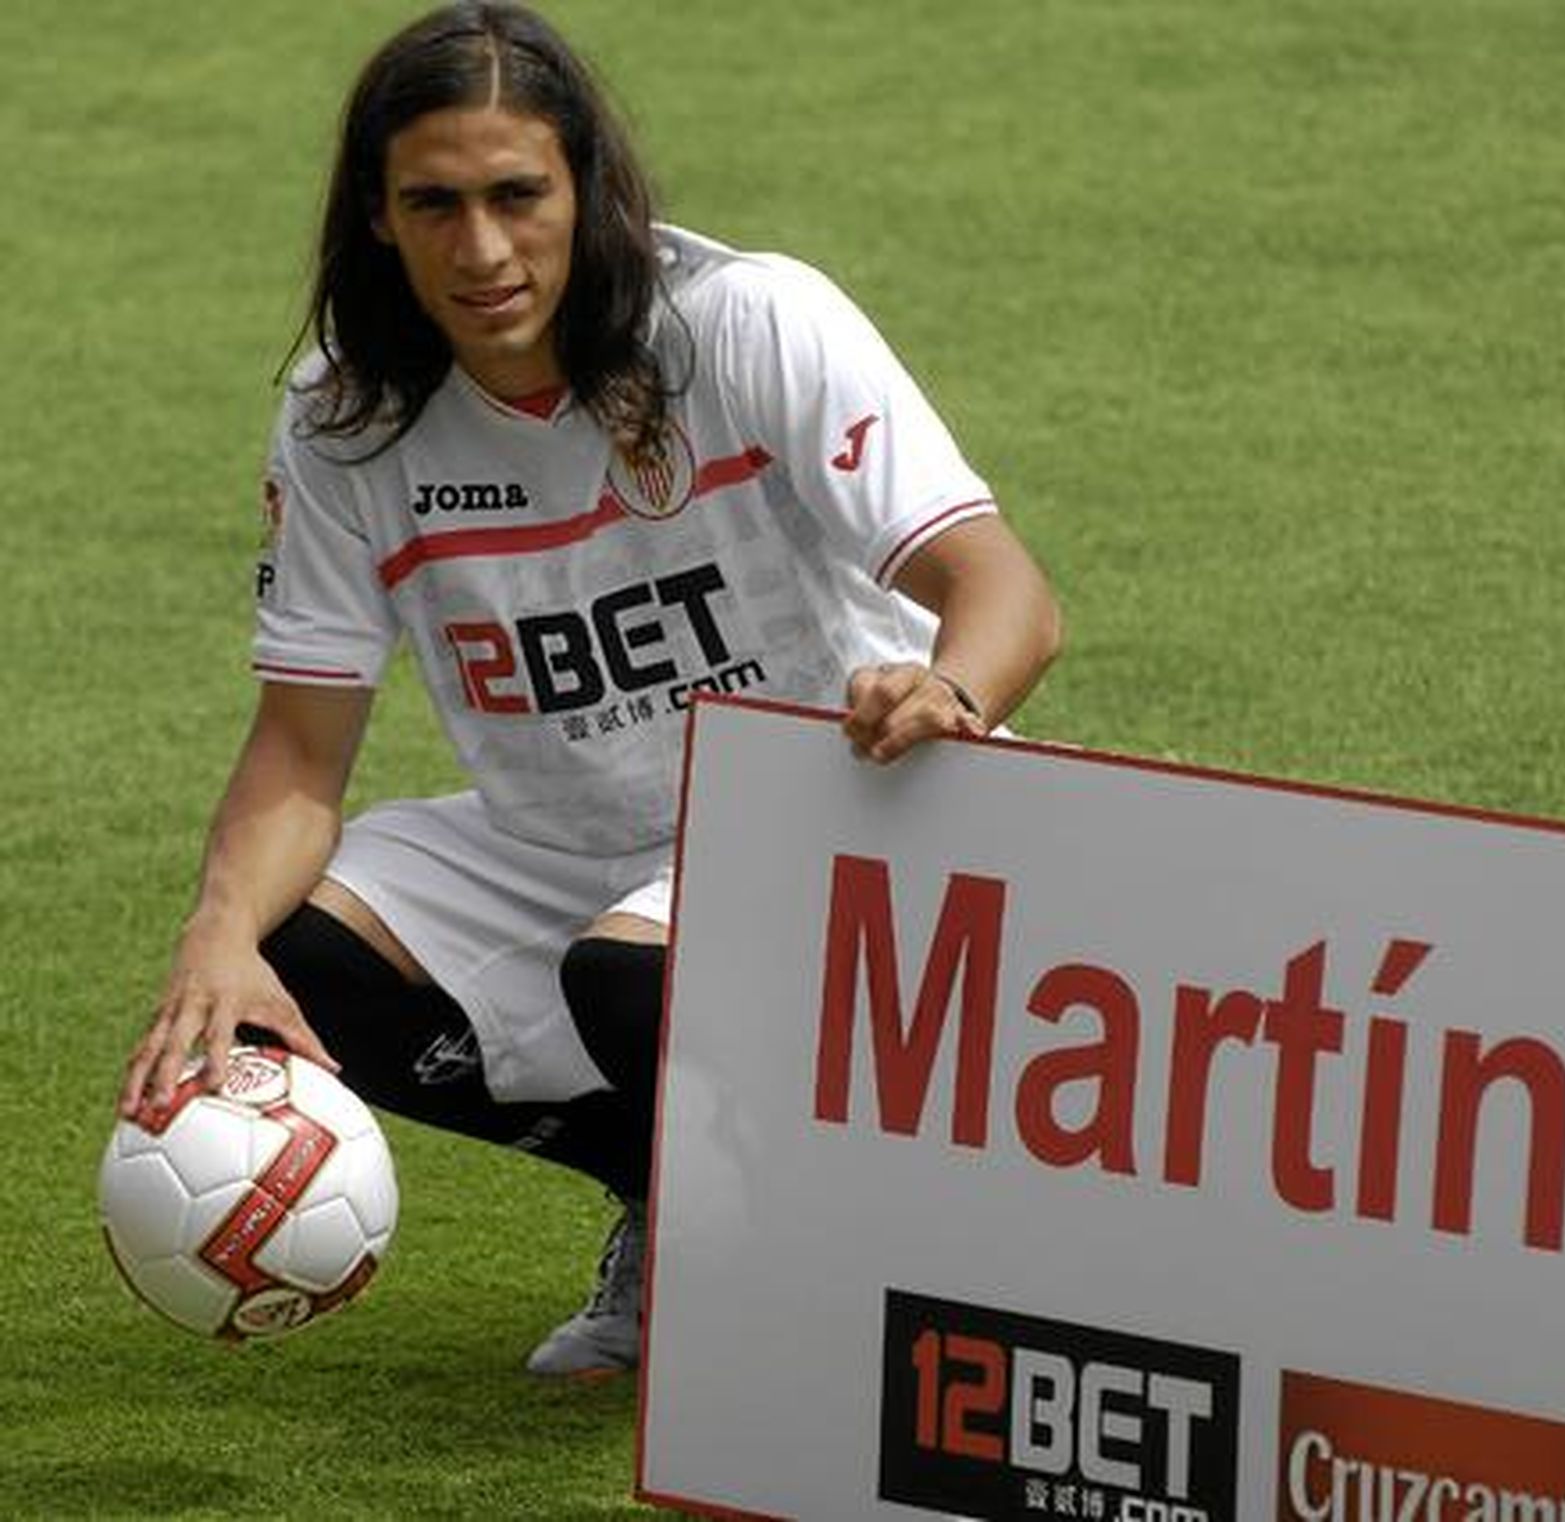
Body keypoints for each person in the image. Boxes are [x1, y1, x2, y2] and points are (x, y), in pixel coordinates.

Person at [118, 0, 1061, 1377]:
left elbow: (1007, 592)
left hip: (843, 797)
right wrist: (218, 934)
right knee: (305, 957)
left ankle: (863, 1252)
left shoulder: (745, 322)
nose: (482, 250)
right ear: (377, 216)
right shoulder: (344, 422)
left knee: (625, 975)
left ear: (587, 188)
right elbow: (301, 753)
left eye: (517, 195)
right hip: (570, 842)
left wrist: (949, 692)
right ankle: (680, 1210)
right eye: (434, 204)